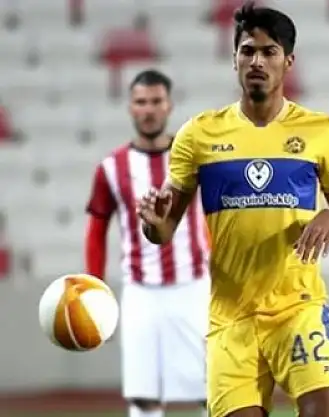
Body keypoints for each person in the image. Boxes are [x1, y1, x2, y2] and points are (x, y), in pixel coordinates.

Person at [135, 3, 329, 417]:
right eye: (247, 51)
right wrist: (154, 224)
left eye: (269, 51)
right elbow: (164, 230)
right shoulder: (199, 134)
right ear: (234, 59)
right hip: (231, 319)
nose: (257, 61)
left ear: (288, 61)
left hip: (298, 309)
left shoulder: (322, 132)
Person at [85, 70, 210, 417]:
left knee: (212, 389)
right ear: (130, 107)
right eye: (141, 102)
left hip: (194, 285)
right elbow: (96, 228)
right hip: (140, 291)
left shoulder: (194, 159)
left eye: (156, 101)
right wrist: (95, 292)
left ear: (169, 105)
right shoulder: (111, 168)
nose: (149, 109)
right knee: (143, 394)